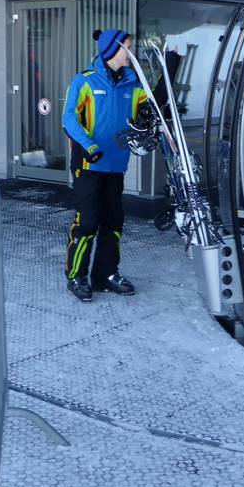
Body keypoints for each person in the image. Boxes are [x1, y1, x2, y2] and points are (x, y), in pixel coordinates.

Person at [62, 29, 147, 301]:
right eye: (127, 47)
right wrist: (90, 147)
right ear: (112, 49)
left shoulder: (133, 85)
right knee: (87, 222)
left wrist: (173, 64)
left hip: (116, 165)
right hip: (89, 164)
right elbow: (68, 119)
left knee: (113, 222)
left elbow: (153, 108)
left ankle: (105, 275)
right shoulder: (85, 81)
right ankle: (76, 276)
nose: (131, 53)